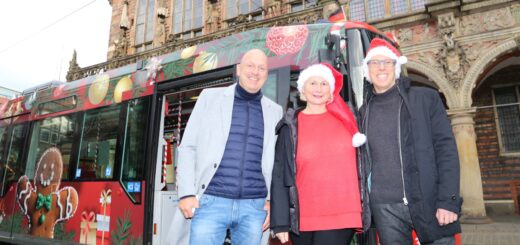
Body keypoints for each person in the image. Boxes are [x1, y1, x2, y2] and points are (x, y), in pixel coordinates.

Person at [168, 49, 283, 245]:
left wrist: (272, 202)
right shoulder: (209, 98)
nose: (255, 72)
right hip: (210, 202)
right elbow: (188, 147)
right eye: (251, 66)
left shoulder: (275, 111)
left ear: (266, 74)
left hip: (254, 207)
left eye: (261, 68)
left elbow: (277, 163)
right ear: (239, 69)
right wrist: (186, 193)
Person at [360, 38, 462, 244]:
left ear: (396, 67)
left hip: (430, 200)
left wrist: (449, 201)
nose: (381, 67)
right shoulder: (363, 112)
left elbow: (447, 151)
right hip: (385, 208)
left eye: (387, 62)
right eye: (374, 62)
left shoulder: (425, 99)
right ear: (367, 70)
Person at [270, 63, 366, 245]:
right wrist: (280, 222)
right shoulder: (289, 126)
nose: (318, 89)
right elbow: (280, 173)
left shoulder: (350, 120)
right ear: (302, 90)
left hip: (342, 213)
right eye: (313, 83)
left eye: (324, 84)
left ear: (331, 91)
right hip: (301, 217)